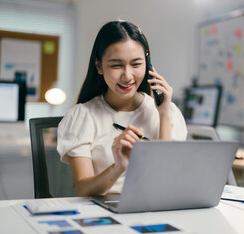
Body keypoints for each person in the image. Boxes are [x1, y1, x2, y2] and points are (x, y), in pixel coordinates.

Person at [57, 20, 187, 197]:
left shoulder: (167, 111)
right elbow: (83, 190)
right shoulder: (83, 115)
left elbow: (168, 179)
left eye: (136, 64)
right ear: (99, 66)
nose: (127, 76)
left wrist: (164, 115)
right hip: (106, 214)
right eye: (116, 65)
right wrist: (118, 167)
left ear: (147, 63)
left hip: (157, 209)